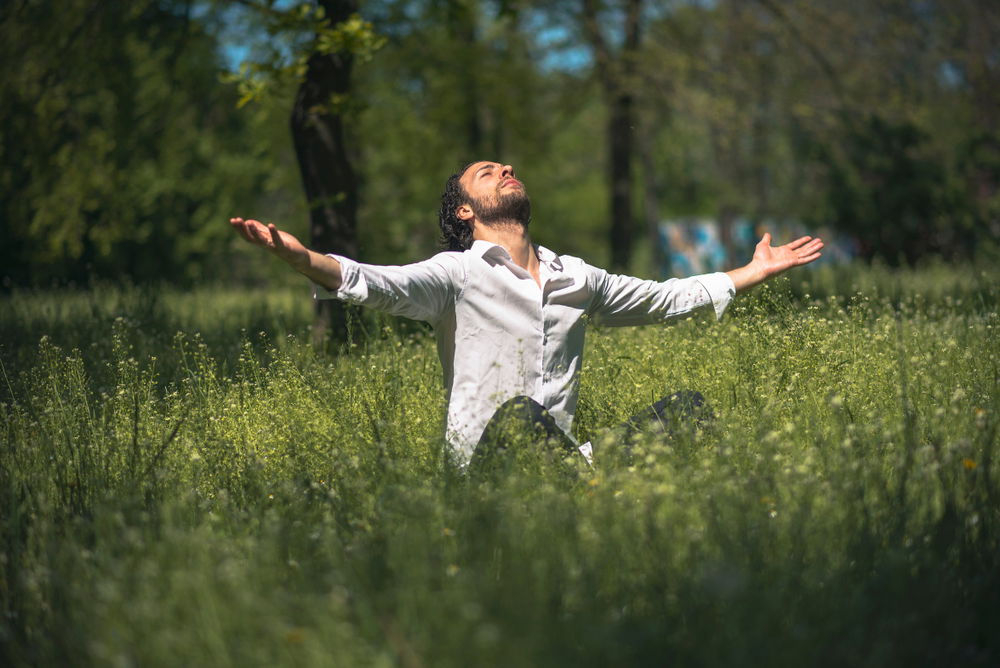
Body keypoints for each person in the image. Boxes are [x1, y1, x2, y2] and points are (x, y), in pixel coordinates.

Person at [229, 161, 823, 470]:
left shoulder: (576, 277)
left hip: (566, 466)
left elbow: (664, 298)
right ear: (466, 211)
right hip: (490, 472)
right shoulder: (456, 274)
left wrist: (753, 272)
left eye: (506, 167)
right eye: (487, 173)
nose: (505, 169)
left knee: (687, 411)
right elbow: (378, 283)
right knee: (519, 416)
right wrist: (301, 257)